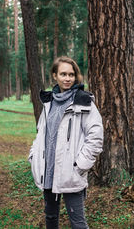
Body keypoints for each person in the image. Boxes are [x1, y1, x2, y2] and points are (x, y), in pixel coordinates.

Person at [28, 56, 103, 229]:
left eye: (71, 74)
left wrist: (81, 165)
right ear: (55, 75)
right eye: (63, 74)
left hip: (71, 173)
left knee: (78, 223)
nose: (68, 78)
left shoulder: (83, 102)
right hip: (48, 171)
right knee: (51, 218)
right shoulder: (48, 103)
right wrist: (34, 156)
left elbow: (96, 137)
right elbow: (40, 134)